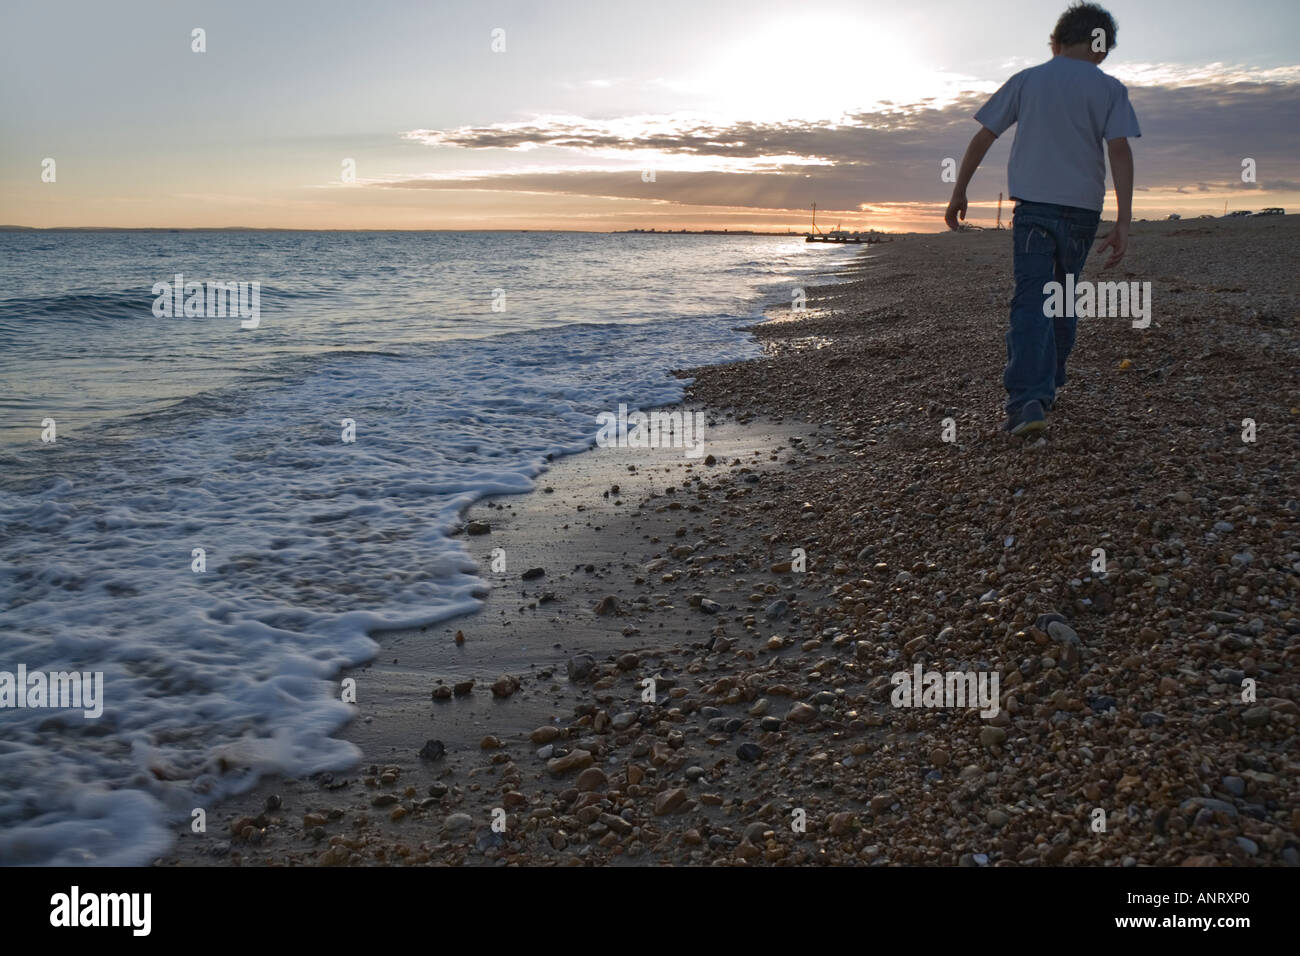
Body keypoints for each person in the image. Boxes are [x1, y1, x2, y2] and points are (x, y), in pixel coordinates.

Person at [944, 2, 1141, 436]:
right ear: (1102, 49)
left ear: (1055, 43)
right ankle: (1047, 384)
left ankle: (1027, 399)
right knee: (1064, 294)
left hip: (1034, 207)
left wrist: (960, 191)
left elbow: (984, 136)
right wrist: (1124, 220)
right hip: (1084, 211)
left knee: (1033, 297)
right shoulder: (1110, 88)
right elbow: (1120, 150)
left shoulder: (1028, 80)